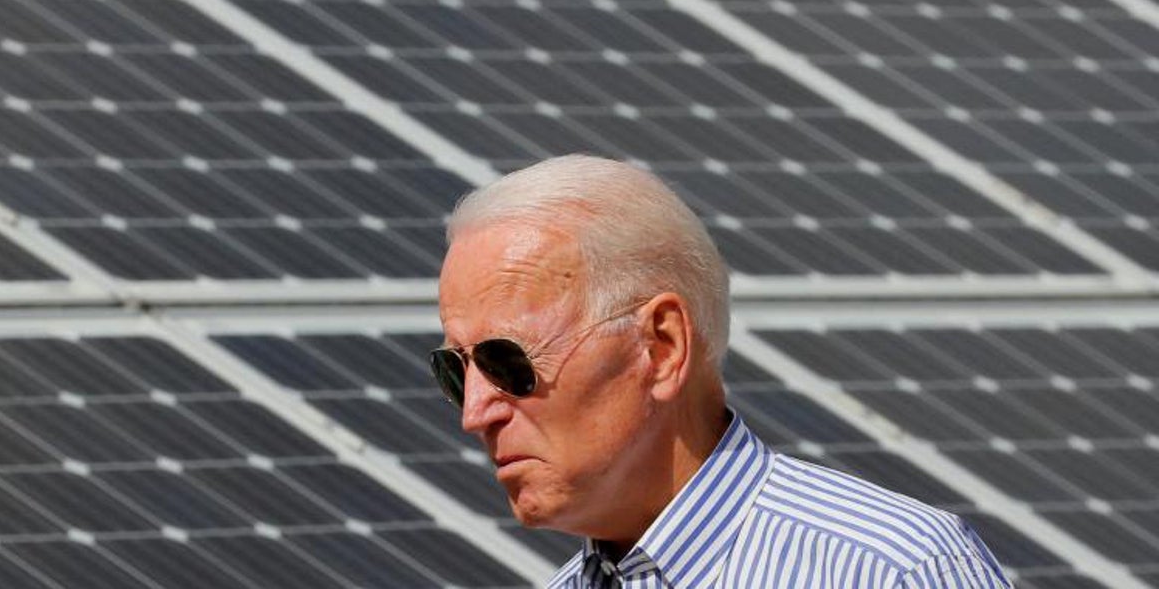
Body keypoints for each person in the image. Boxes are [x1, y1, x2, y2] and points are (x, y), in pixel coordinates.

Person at [432, 154, 1010, 588]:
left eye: (506, 361)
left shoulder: (888, 569)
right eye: (456, 372)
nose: (474, 413)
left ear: (661, 347)